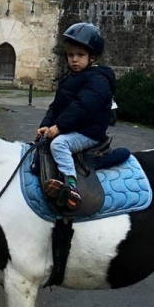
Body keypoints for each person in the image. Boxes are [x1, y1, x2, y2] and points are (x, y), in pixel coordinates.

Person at [36, 22, 116, 211]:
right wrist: (46, 125)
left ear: (92, 58)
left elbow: (84, 107)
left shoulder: (98, 80)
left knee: (59, 144)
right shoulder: (70, 79)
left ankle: (71, 186)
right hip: (73, 128)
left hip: (88, 132)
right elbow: (56, 107)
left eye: (80, 55)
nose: (74, 60)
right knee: (41, 146)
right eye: (71, 55)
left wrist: (60, 127)